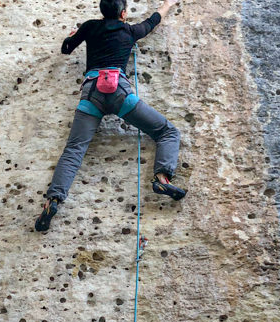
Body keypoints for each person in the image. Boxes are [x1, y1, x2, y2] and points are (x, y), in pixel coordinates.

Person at [34, 0, 186, 232]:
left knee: (74, 149)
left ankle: (52, 200)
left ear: (102, 12)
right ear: (123, 13)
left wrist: (73, 35)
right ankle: (162, 180)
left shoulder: (89, 26)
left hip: (91, 93)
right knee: (167, 131)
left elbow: (66, 49)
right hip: (119, 93)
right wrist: (168, 4)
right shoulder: (130, 30)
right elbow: (153, 21)